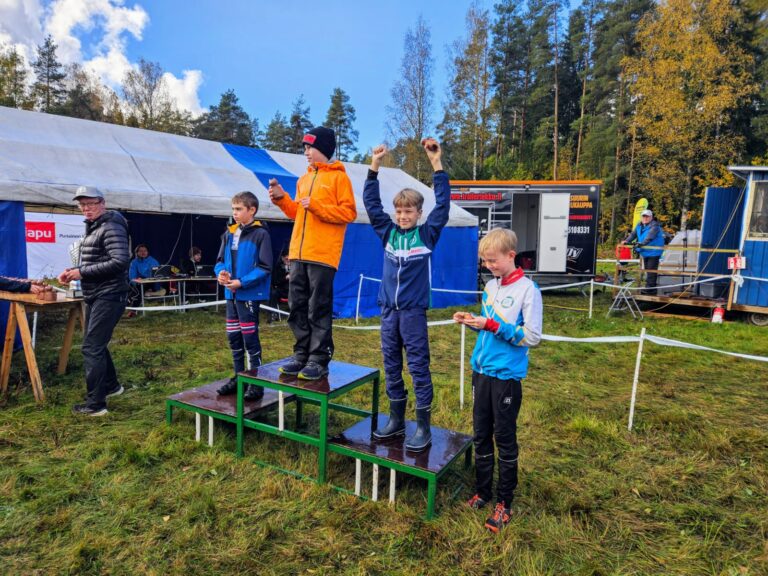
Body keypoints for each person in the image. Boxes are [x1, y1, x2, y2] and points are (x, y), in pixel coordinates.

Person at [453, 228, 543, 533]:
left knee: (504, 438)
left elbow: (532, 337)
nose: (488, 266)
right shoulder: (491, 287)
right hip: (481, 372)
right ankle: (483, 491)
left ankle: (505, 502)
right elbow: (488, 326)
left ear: (510, 255)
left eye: (493, 260)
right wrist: (472, 321)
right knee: (480, 434)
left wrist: (492, 325)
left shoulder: (528, 290)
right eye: (485, 261)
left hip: (506, 377)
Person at [363, 138, 450, 452]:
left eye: (408, 211)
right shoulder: (387, 233)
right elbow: (372, 204)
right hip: (388, 311)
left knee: (418, 367)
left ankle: (423, 425)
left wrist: (436, 164)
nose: (402, 216)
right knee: (390, 365)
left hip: (413, 313)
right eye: (399, 211)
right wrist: (374, 166)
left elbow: (444, 206)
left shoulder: (426, 234)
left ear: (418, 213)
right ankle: (396, 419)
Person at [268, 126, 356, 380]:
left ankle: (319, 359)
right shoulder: (303, 180)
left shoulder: (340, 178)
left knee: (318, 306)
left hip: (323, 255)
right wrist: (282, 199)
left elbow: (349, 213)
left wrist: (317, 206)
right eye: (305, 148)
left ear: (324, 149)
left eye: (310, 147)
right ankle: (301, 354)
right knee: (296, 305)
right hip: (298, 253)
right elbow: (297, 213)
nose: (306, 152)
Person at [58, 185, 130, 416]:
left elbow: (120, 261)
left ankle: (96, 405)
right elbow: (97, 261)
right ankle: (112, 386)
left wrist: (82, 272)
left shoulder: (111, 226)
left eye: (90, 203)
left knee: (91, 347)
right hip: (97, 293)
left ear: (102, 203)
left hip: (109, 294)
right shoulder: (96, 227)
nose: (86, 208)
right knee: (95, 343)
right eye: (82, 205)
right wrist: (74, 271)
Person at [214, 191, 272, 401]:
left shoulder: (261, 234)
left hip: (248, 294)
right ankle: (240, 378)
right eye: (233, 209)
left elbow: (265, 266)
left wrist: (242, 282)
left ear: (252, 210)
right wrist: (221, 273)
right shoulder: (229, 233)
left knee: (250, 338)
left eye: (239, 209)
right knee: (234, 337)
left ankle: (256, 383)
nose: (235, 213)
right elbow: (219, 261)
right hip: (231, 294)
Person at [624, 209, 665, 294]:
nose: (645, 218)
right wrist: (626, 241)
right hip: (645, 251)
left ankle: (651, 289)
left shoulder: (655, 226)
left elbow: (650, 237)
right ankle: (649, 287)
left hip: (654, 252)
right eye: (644, 216)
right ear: (641, 217)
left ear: (651, 217)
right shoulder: (639, 225)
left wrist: (641, 244)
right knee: (648, 270)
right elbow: (633, 234)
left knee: (651, 270)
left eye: (647, 216)